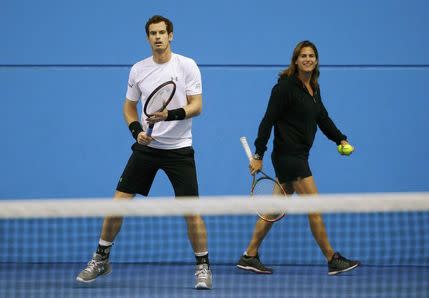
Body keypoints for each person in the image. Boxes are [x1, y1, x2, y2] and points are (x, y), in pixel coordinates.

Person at [76, 15, 212, 289]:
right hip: (146, 148)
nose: (158, 37)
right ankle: (101, 258)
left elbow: (197, 105)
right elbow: (128, 108)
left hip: (179, 149)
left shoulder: (187, 65)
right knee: (118, 203)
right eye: (153, 33)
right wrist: (136, 130)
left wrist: (168, 115)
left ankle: (203, 267)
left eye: (162, 32)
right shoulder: (138, 69)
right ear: (148, 37)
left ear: (171, 35)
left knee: (192, 212)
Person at [236, 40, 360, 276]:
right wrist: (258, 154)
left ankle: (249, 255)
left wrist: (340, 139)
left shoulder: (313, 88)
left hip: (299, 155)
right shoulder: (284, 88)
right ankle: (331, 258)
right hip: (288, 156)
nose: (308, 59)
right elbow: (267, 120)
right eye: (303, 56)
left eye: (312, 56)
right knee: (314, 207)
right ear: (295, 60)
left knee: (273, 209)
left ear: (316, 60)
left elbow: (322, 118)